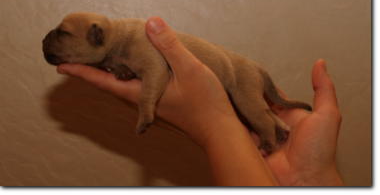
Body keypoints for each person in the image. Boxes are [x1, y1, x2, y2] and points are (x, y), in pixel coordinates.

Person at [57, 17, 344, 186]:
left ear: (96, 35)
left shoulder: (135, 39)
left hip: (236, 73)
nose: (57, 38)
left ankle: (270, 136)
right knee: (257, 110)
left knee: (251, 108)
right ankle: (279, 131)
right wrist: (309, 176)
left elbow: (155, 71)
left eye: (63, 33)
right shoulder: (123, 47)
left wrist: (210, 124)